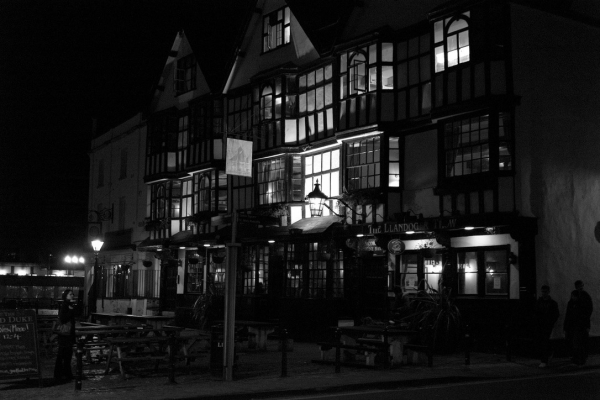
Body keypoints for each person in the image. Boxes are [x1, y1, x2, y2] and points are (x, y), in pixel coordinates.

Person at [533, 285, 559, 368]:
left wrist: (550, 322)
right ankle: (548, 355)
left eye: (545, 292)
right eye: (543, 292)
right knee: (542, 341)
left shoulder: (552, 303)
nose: (543, 293)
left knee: (544, 341)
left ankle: (544, 360)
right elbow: (535, 312)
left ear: (548, 292)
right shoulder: (539, 302)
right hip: (540, 324)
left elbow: (555, 314)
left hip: (547, 325)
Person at [54, 289, 76, 383]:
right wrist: (70, 311)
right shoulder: (64, 305)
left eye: (72, 294)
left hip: (68, 334)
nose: (72, 296)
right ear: (66, 296)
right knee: (63, 353)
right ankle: (61, 373)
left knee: (67, 354)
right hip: (65, 334)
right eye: (70, 294)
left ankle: (65, 373)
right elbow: (63, 319)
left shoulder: (70, 305)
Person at [564, 289, 590, 365]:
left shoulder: (581, 304)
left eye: (573, 296)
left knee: (577, 343)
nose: (572, 297)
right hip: (573, 326)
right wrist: (566, 327)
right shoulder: (571, 303)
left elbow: (585, 316)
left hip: (579, 326)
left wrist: (587, 326)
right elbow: (568, 315)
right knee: (574, 343)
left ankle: (580, 359)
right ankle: (577, 358)